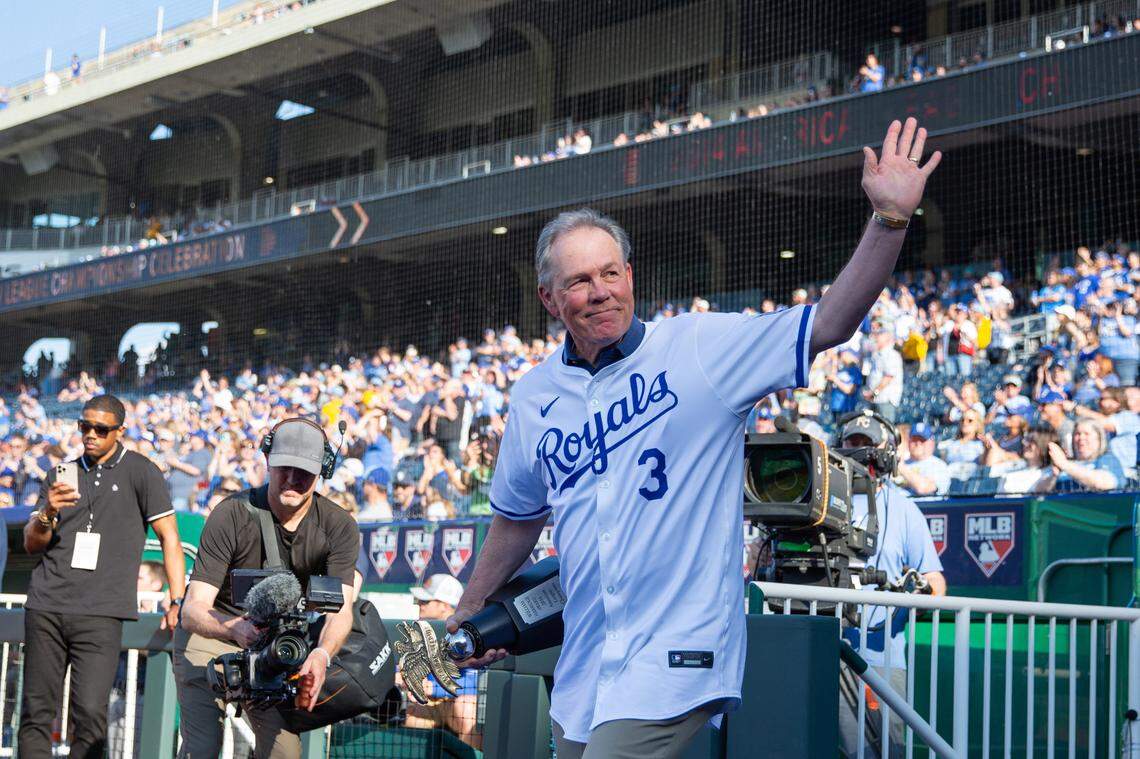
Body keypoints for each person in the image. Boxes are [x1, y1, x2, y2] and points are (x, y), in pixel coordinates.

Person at [447, 118, 941, 758]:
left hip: (677, 658)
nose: (599, 292)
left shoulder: (699, 349)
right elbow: (517, 520)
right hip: (587, 664)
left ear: (630, 273)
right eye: (578, 282)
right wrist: (469, 605)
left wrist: (889, 222)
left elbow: (831, 322)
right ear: (549, 298)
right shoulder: (535, 395)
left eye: (610, 273)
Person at [174, 417, 360, 759]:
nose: (291, 479)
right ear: (268, 463)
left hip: (277, 647)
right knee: (202, 749)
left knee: (283, 754)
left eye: (303, 471)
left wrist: (320, 654)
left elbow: (341, 610)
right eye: (283, 467)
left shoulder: (338, 525)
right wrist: (235, 628)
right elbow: (193, 609)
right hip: (215, 631)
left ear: (324, 470)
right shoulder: (230, 514)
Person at [19, 395, 185, 759]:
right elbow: (33, 543)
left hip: (101, 613)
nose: (90, 434)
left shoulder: (142, 471)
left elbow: (170, 538)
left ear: (120, 431)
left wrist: (177, 599)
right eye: (84, 426)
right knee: (35, 713)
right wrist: (48, 510)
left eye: (101, 428)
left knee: (91, 716)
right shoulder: (61, 473)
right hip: (46, 605)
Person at [834, 413, 945, 758]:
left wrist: (919, 592)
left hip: (879, 656)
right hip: (822, 648)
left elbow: (936, 582)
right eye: (853, 444)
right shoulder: (824, 501)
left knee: (881, 751)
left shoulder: (905, 509)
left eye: (868, 445)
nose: (861, 452)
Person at [403, 574, 481, 747]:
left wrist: (436, 687)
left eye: (425, 602)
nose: (419, 605)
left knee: (464, 708)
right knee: (408, 714)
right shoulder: (419, 629)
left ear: (445, 606)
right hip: (433, 705)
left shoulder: (467, 631)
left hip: (462, 703)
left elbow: (479, 680)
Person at [896, 422, 951, 496]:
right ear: (908, 442)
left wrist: (901, 467)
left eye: (922, 440)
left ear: (931, 443)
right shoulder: (902, 462)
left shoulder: (939, 466)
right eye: (914, 439)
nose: (918, 443)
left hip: (924, 506)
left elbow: (924, 488)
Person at [864, 327, 903, 422]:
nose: (876, 338)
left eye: (879, 336)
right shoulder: (877, 355)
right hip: (875, 399)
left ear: (887, 339)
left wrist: (874, 392)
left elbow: (888, 377)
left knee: (885, 432)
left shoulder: (891, 355)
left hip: (885, 400)